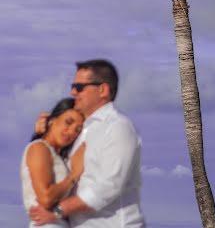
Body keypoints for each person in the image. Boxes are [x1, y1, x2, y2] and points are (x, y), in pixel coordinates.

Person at [30, 59, 146, 228]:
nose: (72, 92)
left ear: (103, 90)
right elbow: (49, 165)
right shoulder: (80, 130)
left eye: (79, 87)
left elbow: (108, 186)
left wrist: (57, 212)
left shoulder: (118, 127)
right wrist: (44, 134)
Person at [21, 97, 85, 227]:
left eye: (77, 130)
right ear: (52, 120)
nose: (71, 132)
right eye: (68, 122)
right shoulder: (39, 148)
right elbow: (46, 199)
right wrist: (73, 176)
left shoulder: (59, 157)